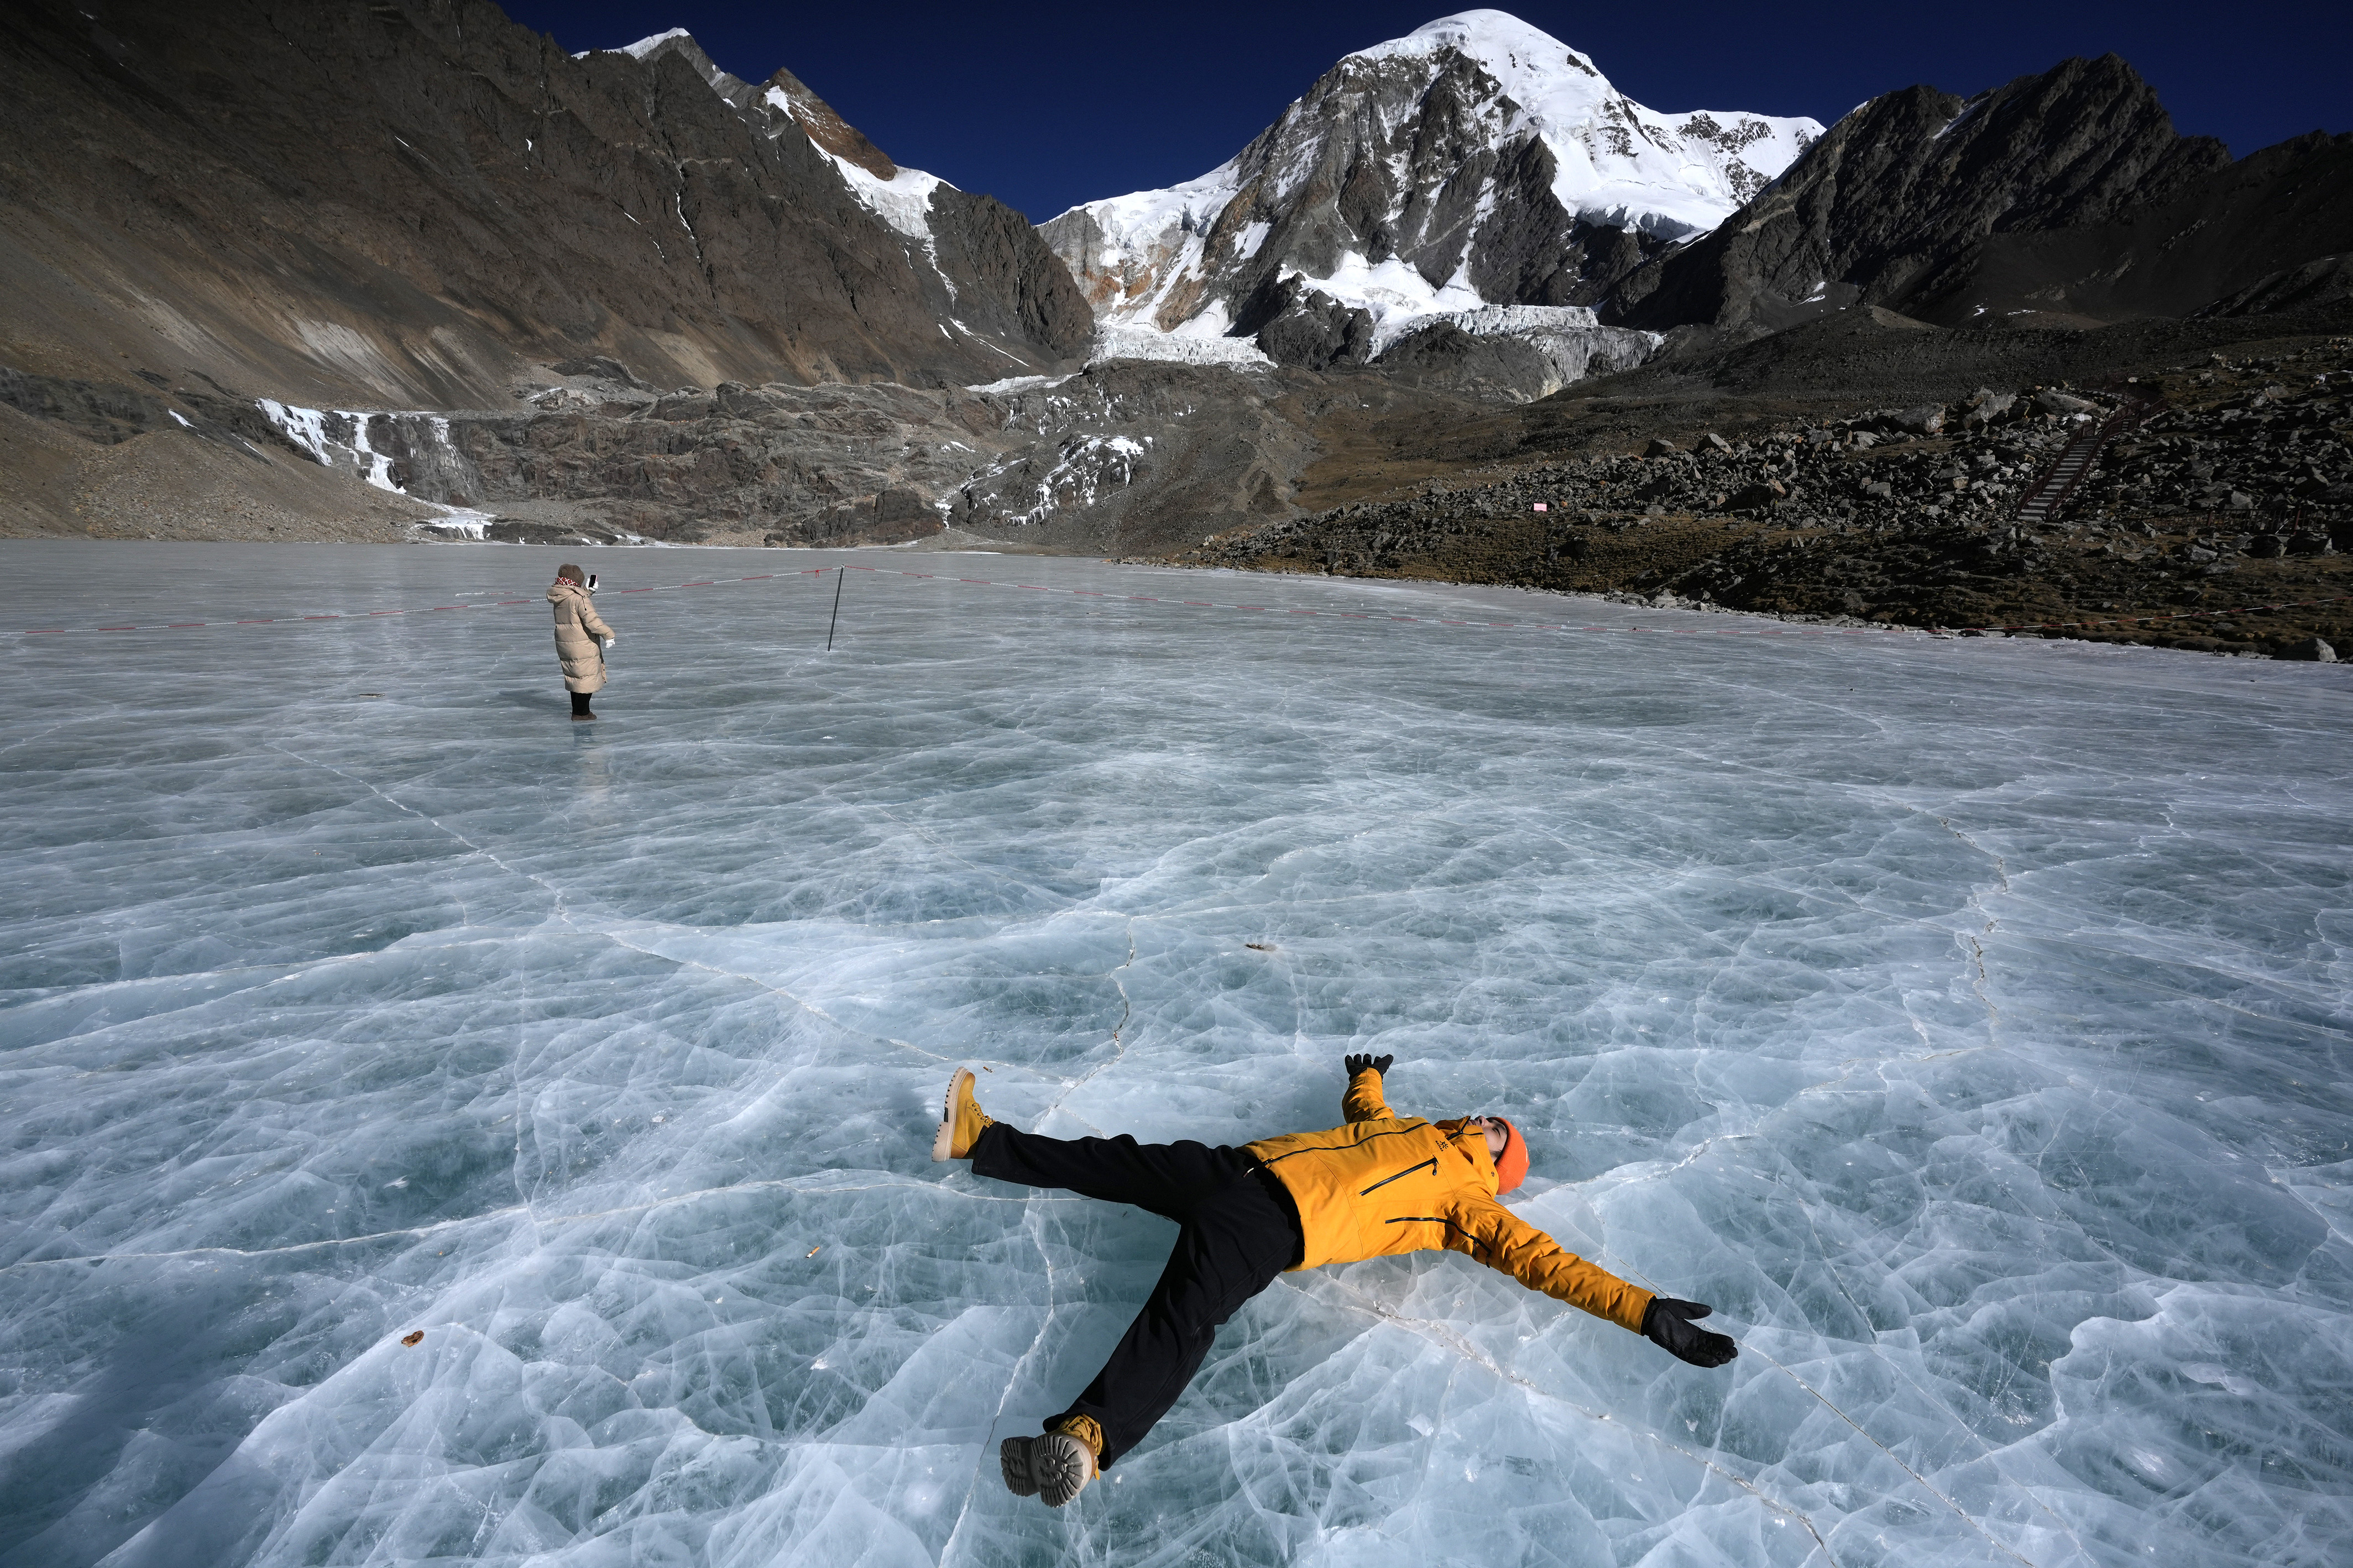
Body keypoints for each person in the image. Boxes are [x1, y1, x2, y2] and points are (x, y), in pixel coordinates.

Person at [933, 1055, 1737, 1507]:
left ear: (1500, 1164)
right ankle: (981, 1139)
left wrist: (1642, 1308)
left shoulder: (1468, 1204)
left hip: (1274, 1227)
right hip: (1235, 1168)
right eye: (1494, 1116)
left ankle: (1085, 1438)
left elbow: (1549, 1266)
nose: (1488, 1117)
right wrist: (1369, 1078)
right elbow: (1364, 1116)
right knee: (1108, 1158)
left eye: (1500, 1129)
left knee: (1180, 1319)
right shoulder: (1407, 1128)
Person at [547, 564, 615, 720]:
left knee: (575, 678)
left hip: (566, 644)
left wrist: (586, 592)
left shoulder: (560, 595)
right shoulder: (579, 599)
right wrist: (609, 634)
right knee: (586, 679)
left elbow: (573, 602)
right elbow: (591, 621)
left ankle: (578, 711)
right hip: (582, 645)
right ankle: (581, 713)